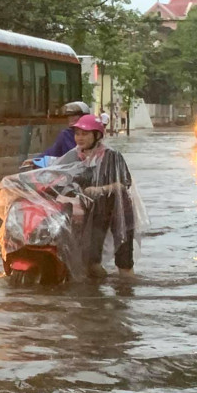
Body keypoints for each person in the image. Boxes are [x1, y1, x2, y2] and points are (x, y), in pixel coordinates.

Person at [56, 114, 140, 279]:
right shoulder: (74, 157)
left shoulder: (112, 156)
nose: (79, 138)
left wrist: (101, 189)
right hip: (93, 211)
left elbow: (124, 183)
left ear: (97, 135)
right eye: (77, 133)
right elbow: (57, 174)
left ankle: (126, 294)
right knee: (90, 261)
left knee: (124, 263)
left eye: (85, 134)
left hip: (118, 209)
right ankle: (98, 292)